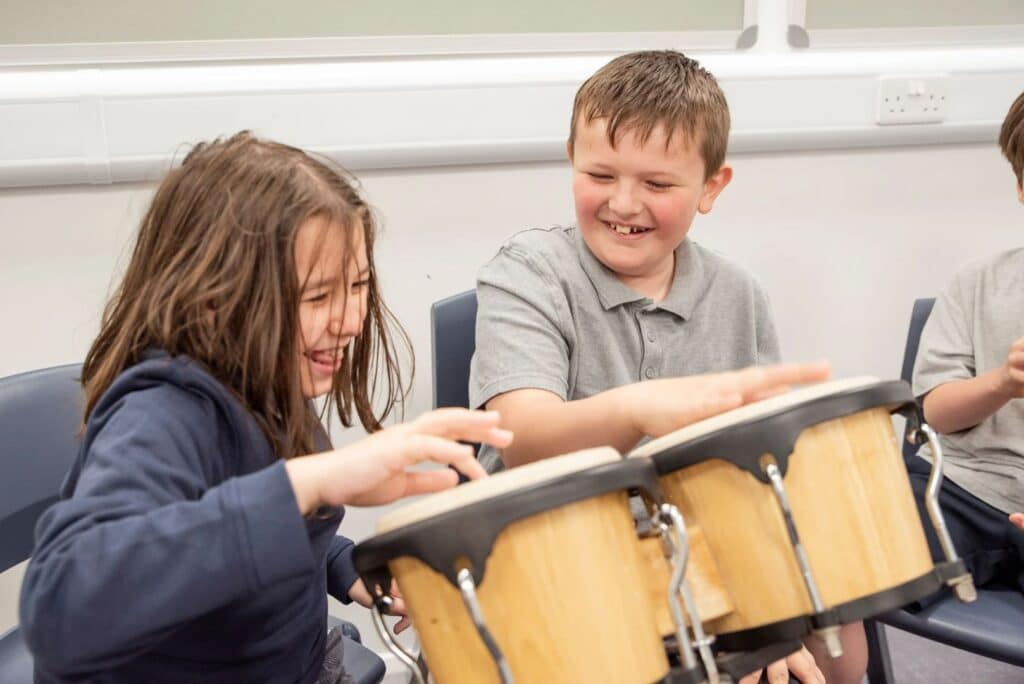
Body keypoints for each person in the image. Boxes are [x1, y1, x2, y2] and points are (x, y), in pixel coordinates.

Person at [18, 132, 513, 683]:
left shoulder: (266, 383)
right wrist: (310, 481)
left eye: (358, 287)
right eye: (318, 296)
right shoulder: (158, 417)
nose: (349, 320)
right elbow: (64, 610)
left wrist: (349, 566)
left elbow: (253, 536)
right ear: (214, 303)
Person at [469, 50, 843, 684]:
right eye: (600, 174)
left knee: (839, 643)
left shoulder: (738, 293)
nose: (624, 202)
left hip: (692, 553)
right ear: (570, 159)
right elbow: (521, 441)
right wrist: (639, 408)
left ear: (711, 188)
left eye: (658, 184)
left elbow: (756, 478)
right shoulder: (529, 270)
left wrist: (768, 618)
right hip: (549, 554)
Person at [909, 90, 1024, 600]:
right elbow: (934, 413)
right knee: (853, 552)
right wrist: (1002, 383)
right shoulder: (977, 284)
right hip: (961, 486)